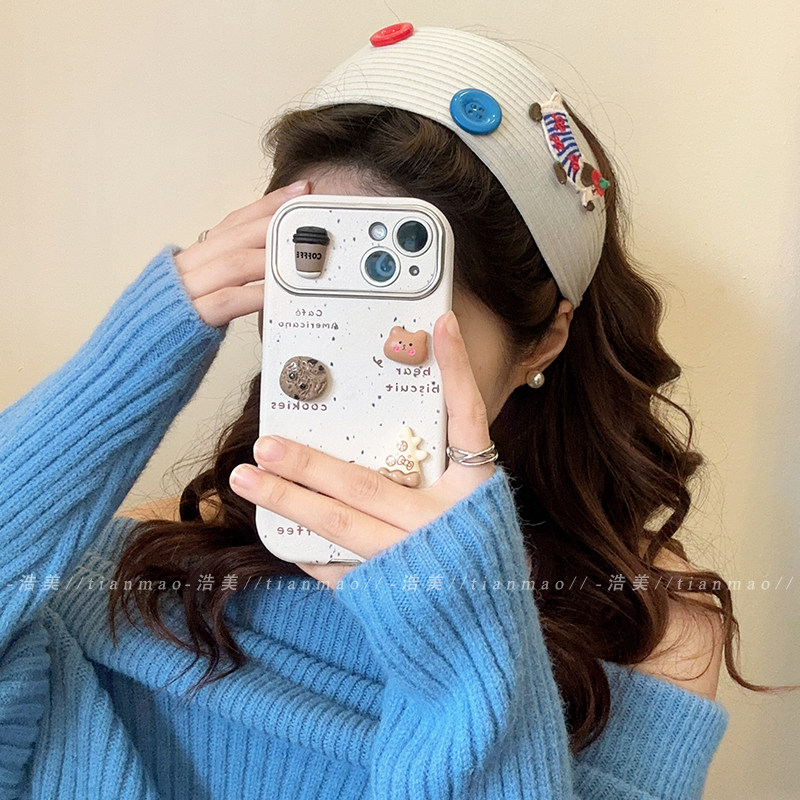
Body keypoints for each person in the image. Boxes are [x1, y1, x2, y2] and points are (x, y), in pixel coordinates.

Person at [0, 23, 773, 800]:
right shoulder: (141, 563)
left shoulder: (652, 626)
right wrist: (138, 352)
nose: (357, 357)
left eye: (401, 320)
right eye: (311, 295)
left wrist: (464, 643)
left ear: (540, 343)